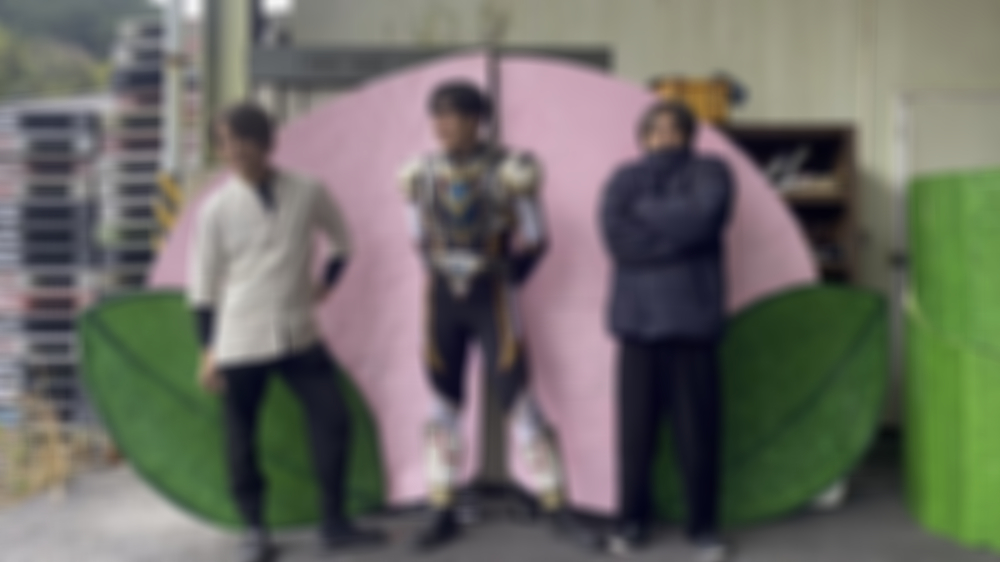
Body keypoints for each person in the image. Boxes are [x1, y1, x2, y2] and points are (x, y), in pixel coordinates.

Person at [398, 81, 597, 552]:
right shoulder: (418, 174)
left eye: (451, 114)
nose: (441, 124)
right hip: (442, 299)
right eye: (436, 115)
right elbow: (418, 239)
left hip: (492, 297)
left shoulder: (512, 170)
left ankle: (556, 505)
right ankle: (441, 507)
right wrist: (451, 271)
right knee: (443, 401)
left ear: (475, 120)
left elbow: (537, 237)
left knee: (519, 399)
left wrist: (507, 276)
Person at [188, 102, 386, 562]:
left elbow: (343, 243)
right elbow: (202, 286)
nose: (234, 151)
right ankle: (255, 531)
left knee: (334, 419)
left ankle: (334, 522)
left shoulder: (308, 190)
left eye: (242, 139)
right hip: (240, 337)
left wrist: (326, 284)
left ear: (266, 142)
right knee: (241, 434)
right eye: (224, 143)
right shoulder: (215, 209)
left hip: (299, 333)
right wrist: (207, 349)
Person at [599, 101, 734, 562]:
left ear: (689, 135)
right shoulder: (624, 177)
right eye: (654, 129)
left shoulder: (712, 171)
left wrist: (645, 216)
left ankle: (704, 528)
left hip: (692, 324)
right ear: (642, 137)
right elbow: (616, 239)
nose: (663, 136)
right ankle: (631, 522)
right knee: (634, 438)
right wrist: (677, 237)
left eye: (673, 129)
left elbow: (702, 221)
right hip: (636, 324)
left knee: (698, 436)